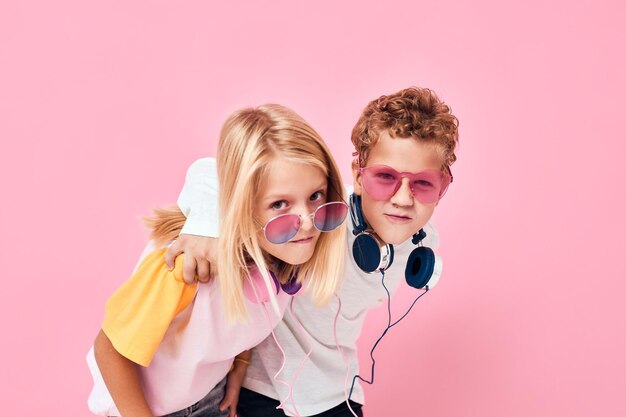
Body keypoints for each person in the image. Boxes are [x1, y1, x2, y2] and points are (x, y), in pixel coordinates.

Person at [167, 87, 460, 416]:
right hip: (262, 391)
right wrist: (205, 226)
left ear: (443, 186)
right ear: (358, 175)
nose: (404, 199)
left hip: (339, 394)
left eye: (424, 183)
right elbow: (209, 170)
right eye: (385, 177)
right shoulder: (322, 215)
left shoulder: (422, 242)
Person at [86, 104, 349, 417]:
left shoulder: (278, 256)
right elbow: (110, 350)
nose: (306, 221)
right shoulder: (188, 265)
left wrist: (239, 368)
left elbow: (243, 318)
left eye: (316, 196)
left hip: (211, 400)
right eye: (280, 203)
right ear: (244, 205)